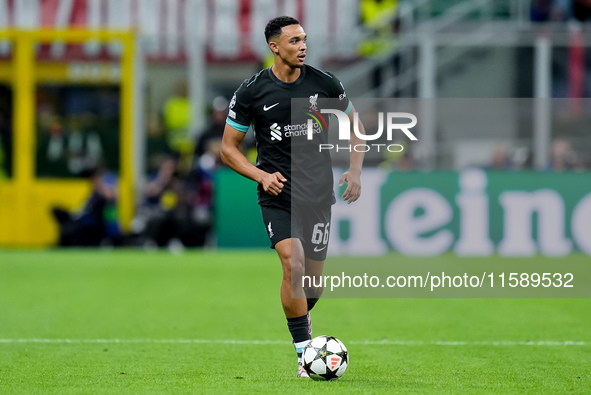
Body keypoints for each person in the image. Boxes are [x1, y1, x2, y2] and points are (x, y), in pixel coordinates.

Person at [220, 16, 365, 377]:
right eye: (295, 41)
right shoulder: (252, 92)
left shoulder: (324, 82)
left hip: (317, 195)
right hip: (278, 193)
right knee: (292, 263)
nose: (303, 46)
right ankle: (304, 354)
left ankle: (303, 321)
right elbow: (228, 149)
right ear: (274, 47)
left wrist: (355, 170)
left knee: (311, 283)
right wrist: (260, 175)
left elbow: (356, 126)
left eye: (304, 40)